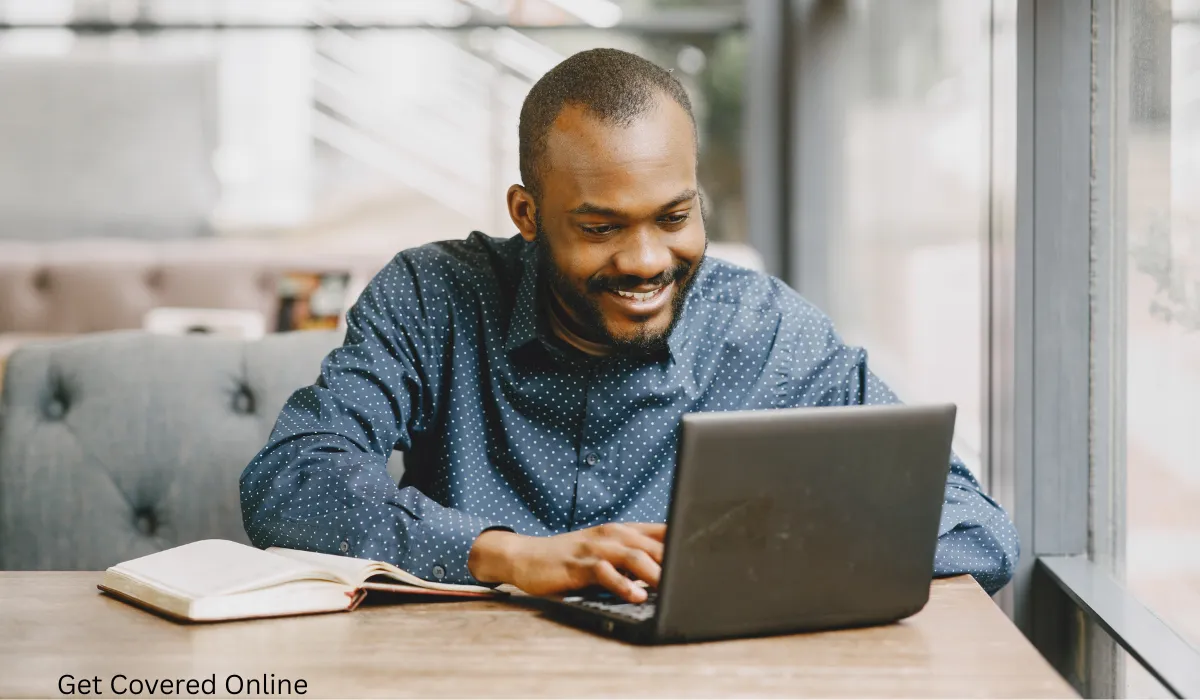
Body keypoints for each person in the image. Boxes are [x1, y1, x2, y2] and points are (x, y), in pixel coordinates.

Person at [240, 48, 1018, 602]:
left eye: (674, 216)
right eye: (602, 227)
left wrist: (728, 563)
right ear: (528, 214)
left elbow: (975, 531)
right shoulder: (433, 296)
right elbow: (289, 480)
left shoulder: (768, 332)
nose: (649, 259)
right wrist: (506, 556)